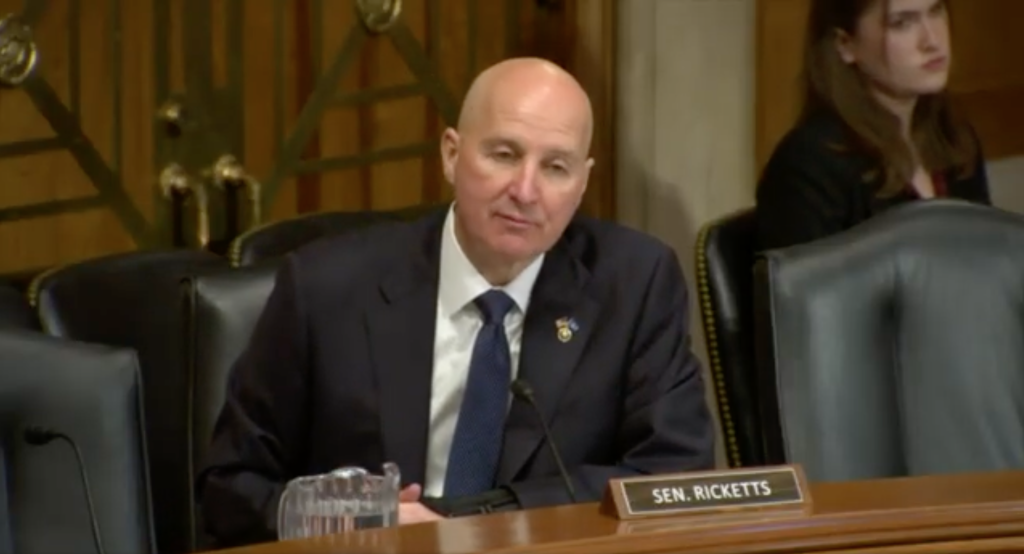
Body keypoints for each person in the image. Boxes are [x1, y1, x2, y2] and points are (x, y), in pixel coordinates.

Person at [196, 57, 716, 547]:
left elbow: (675, 475)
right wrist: (356, 518)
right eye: (504, 155)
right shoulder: (326, 288)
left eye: (556, 167)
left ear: (582, 182)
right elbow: (229, 488)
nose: (526, 190)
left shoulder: (634, 283)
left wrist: (484, 519)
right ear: (451, 154)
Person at [756, 0, 990, 252]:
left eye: (936, 11)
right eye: (902, 23)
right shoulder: (809, 163)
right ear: (845, 44)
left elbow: (991, 262)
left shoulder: (954, 137)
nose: (932, 40)